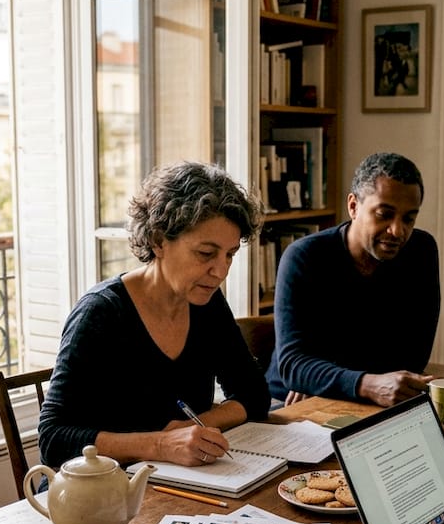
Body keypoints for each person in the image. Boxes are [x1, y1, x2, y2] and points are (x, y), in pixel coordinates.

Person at [37, 161, 270, 471]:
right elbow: (54, 440)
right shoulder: (100, 313)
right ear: (159, 240)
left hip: (177, 480)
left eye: (229, 254)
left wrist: (195, 428)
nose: (220, 271)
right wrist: (161, 444)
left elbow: (254, 395)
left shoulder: (207, 303)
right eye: (206, 253)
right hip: (98, 493)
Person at [266, 151, 440, 407]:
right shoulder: (304, 257)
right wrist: (354, 382)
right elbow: (294, 367)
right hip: (289, 401)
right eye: (384, 214)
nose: (397, 231)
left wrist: (326, 379)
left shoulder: (421, 251)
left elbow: (413, 355)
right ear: (353, 206)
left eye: (409, 218)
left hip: (363, 397)